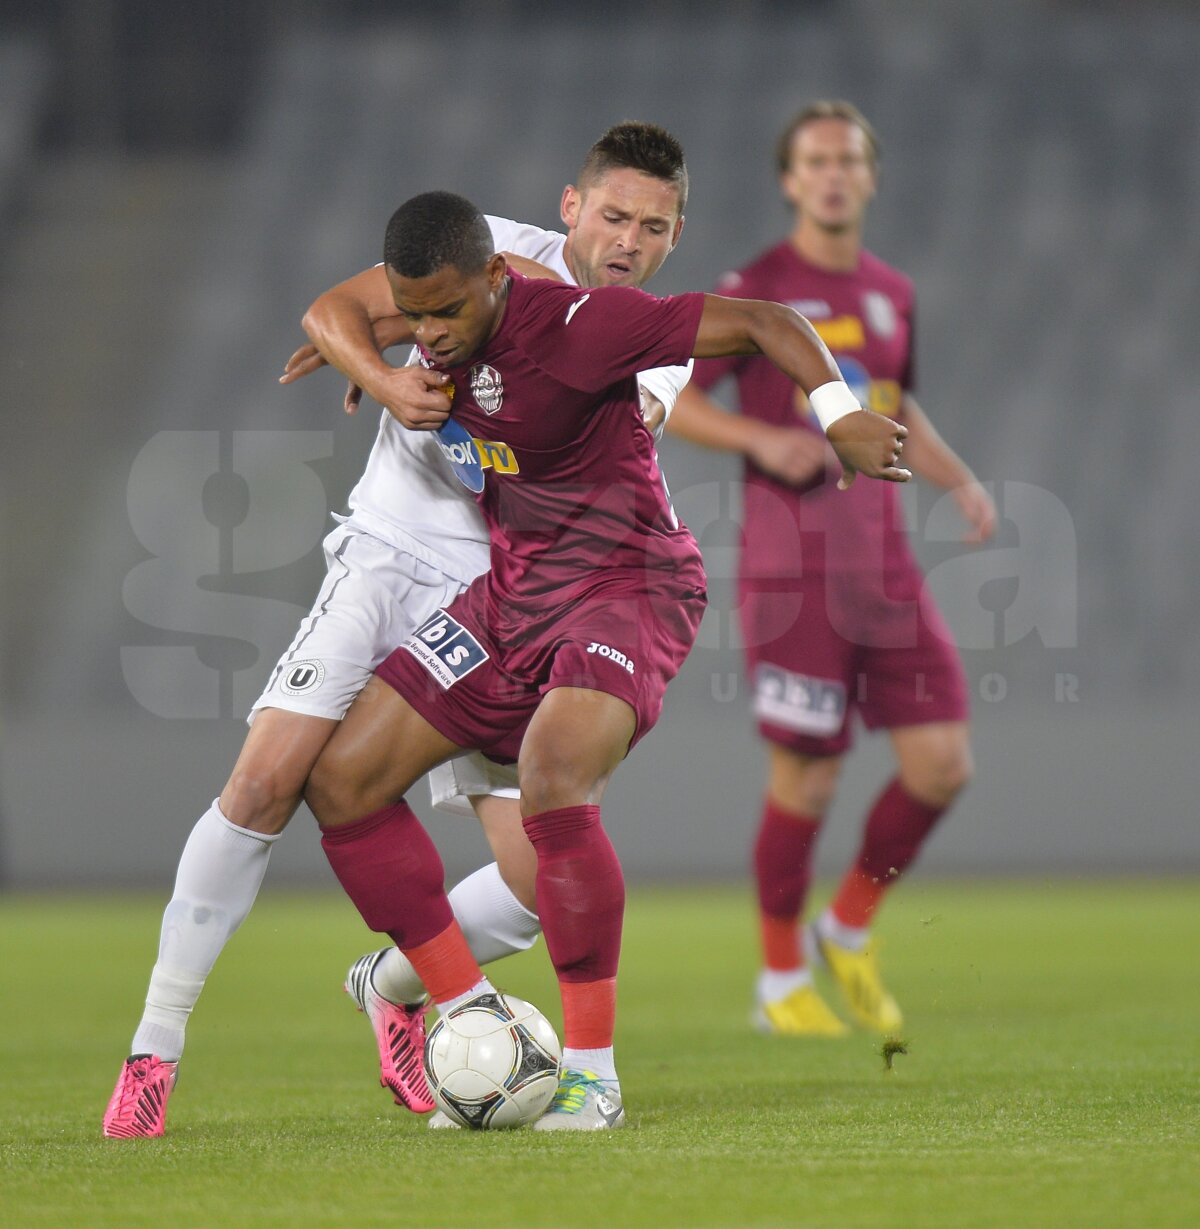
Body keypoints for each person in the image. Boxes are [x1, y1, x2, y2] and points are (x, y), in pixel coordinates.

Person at [102, 122, 695, 1140]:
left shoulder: (642, 337)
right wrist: (387, 374)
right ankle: (154, 1053)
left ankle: (398, 983)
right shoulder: (480, 251)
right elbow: (335, 308)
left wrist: (435, 365)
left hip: (505, 588)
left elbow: (559, 413)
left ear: (675, 237)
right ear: (571, 208)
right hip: (385, 553)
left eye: (652, 226)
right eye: (613, 215)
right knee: (269, 780)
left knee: (545, 875)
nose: (628, 238)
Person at [301, 189, 909, 1130]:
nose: (430, 333)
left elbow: (764, 321)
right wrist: (369, 366)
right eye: (413, 315)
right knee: (341, 780)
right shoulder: (433, 339)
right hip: (514, 595)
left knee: (551, 776)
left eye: (447, 311)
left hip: (631, 584)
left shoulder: (586, 326)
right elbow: (339, 314)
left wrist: (838, 415)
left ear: (499, 279)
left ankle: (592, 1079)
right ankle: (466, 1010)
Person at [665, 101, 996, 1038]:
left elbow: (894, 408)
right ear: (789, 179)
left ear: (871, 175)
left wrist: (957, 477)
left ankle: (846, 924)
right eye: (815, 161)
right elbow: (677, 401)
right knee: (805, 782)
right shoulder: (759, 289)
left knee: (942, 765)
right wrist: (765, 440)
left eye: (848, 159)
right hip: (793, 571)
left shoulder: (893, 289)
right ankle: (779, 982)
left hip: (885, 569)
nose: (834, 175)